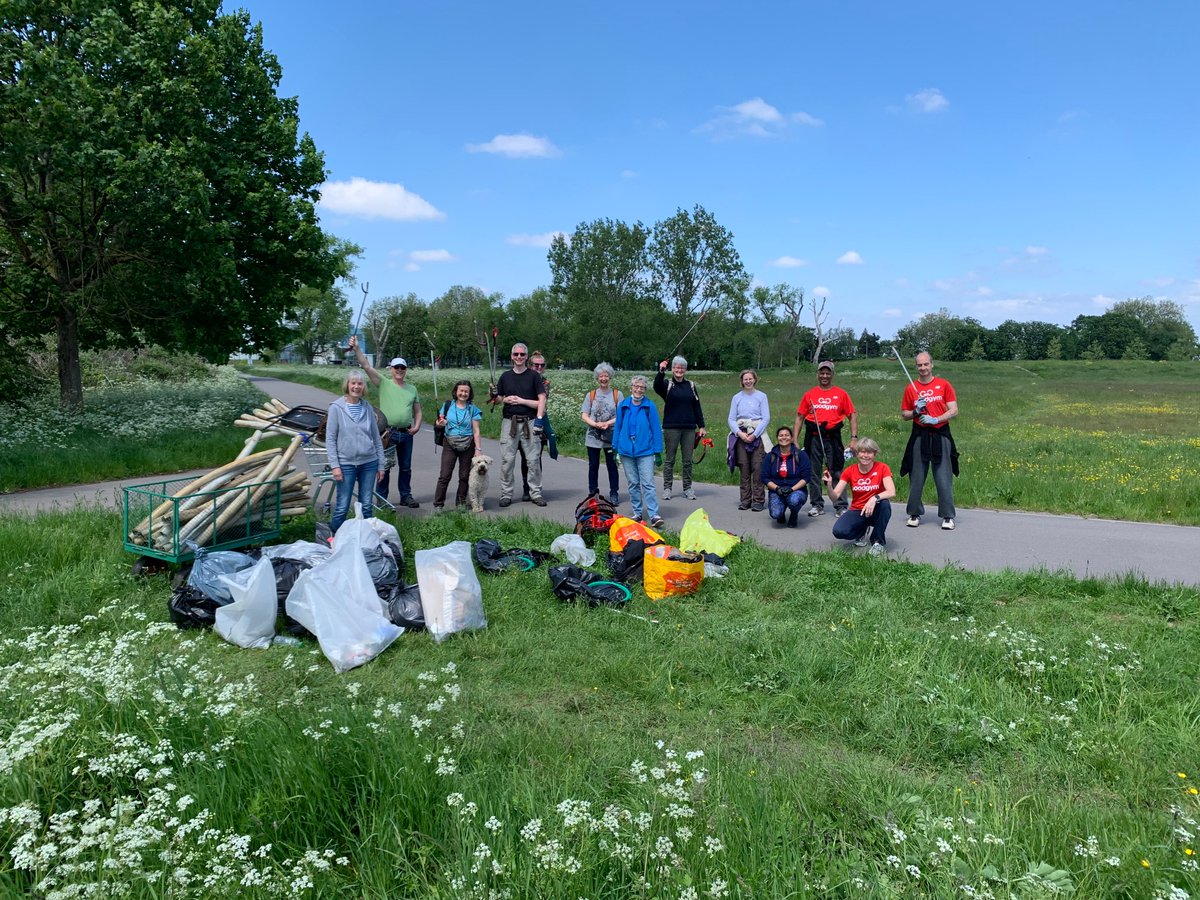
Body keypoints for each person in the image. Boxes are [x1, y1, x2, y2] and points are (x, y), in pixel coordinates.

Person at [349, 335, 421, 508]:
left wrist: (417, 426)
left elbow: (417, 410)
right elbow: (366, 366)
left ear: (406, 370)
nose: (399, 370)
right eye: (396, 367)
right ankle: (381, 499)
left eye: (402, 367)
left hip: (406, 433)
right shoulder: (384, 383)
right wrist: (357, 348)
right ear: (391, 369)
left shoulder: (412, 389)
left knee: (406, 467)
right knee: (384, 466)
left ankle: (406, 495)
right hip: (387, 433)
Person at [899, 351, 959, 530]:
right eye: (919, 365)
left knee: (943, 477)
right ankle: (914, 513)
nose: (923, 368)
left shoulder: (944, 385)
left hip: (940, 434)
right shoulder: (911, 388)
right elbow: (904, 415)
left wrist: (937, 419)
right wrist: (916, 411)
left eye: (926, 364)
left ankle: (947, 516)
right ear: (916, 367)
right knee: (916, 476)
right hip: (920, 435)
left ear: (932, 365)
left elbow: (954, 410)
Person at [794, 360, 858, 518]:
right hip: (813, 438)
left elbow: (852, 415)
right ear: (817, 374)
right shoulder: (809, 394)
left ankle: (840, 505)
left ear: (832, 374)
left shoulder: (841, 394)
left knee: (836, 471)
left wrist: (854, 438)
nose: (824, 375)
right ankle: (816, 504)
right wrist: (795, 439)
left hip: (833, 438)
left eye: (827, 372)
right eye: (822, 372)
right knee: (814, 472)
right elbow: (799, 417)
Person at [325, 369, 386, 533]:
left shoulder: (367, 408)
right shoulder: (336, 408)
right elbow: (330, 439)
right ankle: (332, 537)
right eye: (353, 383)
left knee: (366, 505)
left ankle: (366, 538)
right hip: (346, 463)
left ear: (363, 387)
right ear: (348, 385)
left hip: (369, 462)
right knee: (342, 505)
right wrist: (335, 466)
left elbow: (376, 437)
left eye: (360, 383)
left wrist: (381, 465)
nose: (356, 387)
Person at [493, 342, 547, 507]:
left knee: (533, 460)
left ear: (526, 357)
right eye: (516, 354)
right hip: (509, 422)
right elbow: (498, 399)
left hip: (529, 422)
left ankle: (535, 493)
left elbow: (542, 399)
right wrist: (501, 398)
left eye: (522, 354)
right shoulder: (505, 376)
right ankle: (506, 494)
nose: (519, 357)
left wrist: (538, 420)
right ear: (511, 356)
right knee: (507, 460)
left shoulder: (534, 376)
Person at [827, 437, 896, 556]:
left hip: (876, 508)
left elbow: (891, 492)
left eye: (869, 452)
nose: (865, 455)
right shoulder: (849, 471)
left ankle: (878, 542)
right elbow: (835, 497)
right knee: (838, 531)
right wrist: (829, 485)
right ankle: (861, 531)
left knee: (885, 504)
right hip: (858, 509)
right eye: (862, 452)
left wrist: (874, 498)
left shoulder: (882, 468)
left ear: (874, 454)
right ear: (857, 453)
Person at [614, 374, 664, 528]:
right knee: (633, 483)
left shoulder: (650, 406)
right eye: (636, 386)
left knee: (648, 483)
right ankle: (637, 513)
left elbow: (656, 429)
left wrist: (657, 451)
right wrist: (615, 447)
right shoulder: (623, 405)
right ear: (631, 388)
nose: (639, 389)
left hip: (645, 451)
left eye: (642, 387)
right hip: (626, 451)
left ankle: (654, 515)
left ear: (645, 390)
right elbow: (618, 427)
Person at [654, 355, 707, 501]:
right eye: (677, 367)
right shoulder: (667, 384)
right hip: (671, 427)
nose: (679, 370)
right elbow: (656, 386)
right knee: (670, 460)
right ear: (672, 369)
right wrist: (661, 371)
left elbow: (697, 406)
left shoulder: (690, 385)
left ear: (685, 370)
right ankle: (667, 488)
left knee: (687, 461)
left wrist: (701, 426)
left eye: (682, 368)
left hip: (689, 428)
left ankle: (687, 488)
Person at [432, 380, 483, 510]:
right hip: (449, 442)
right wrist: (440, 423)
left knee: (464, 476)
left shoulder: (473, 409)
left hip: (468, 444)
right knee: (445, 475)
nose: (463, 393)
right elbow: (439, 421)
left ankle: (460, 503)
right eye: (461, 390)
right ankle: (438, 505)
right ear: (456, 391)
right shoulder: (448, 405)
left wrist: (478, 449)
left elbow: (476, 431)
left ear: (470, 393)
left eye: (466, 391)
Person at [727, 368, 770, 511]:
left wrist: (754, 434)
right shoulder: (736, 398)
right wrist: (739, 433)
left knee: (758, 467)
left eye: (750, 378)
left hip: (757, 433)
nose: (748, 381)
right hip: (741, 434)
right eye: (745, 379)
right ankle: (745, 500)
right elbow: (731, 419)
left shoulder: (762, 396)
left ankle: (758, 500)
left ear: (755, 379)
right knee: (744, 467)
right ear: (742, 381)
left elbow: (766, 417)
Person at [580, 362, 622, 505]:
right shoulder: (590, 395)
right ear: (597, 378)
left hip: (611, 436)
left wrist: (607, 423)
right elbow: (584, 415)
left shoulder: (617, 394)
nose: (603, 379)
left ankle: (614, 493)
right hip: (593, 437)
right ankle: (593, 493)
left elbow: (621, 415)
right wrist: (596, 424)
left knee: (612, 466)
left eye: (606, 376)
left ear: (610, 377)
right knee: (593, 465)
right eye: (601, 376)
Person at [517, 350, 551, 501]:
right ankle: (526, 487)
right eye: (536, 365)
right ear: (530, 365)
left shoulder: (545, 383)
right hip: (520, 421)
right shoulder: (521, 378)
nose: (539, 367)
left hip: (537, 421)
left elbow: (541, 403)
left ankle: (535, 489)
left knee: (535, 457)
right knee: (524, 457)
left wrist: (524, 401)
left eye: (541, 365)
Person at [760, 426, 811, 527]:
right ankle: (781, 513)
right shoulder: (770, 456)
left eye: (787, 435)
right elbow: (764, 477)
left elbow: (806, 477)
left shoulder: (801, 455)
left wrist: (792, 489)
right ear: (777, 438)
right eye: (781, 435)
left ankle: (794, 514)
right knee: (775, 514)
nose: (784, 438)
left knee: (794, 500)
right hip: (777, 490)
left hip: (796, 490)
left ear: (791, 438)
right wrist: (777, 488)